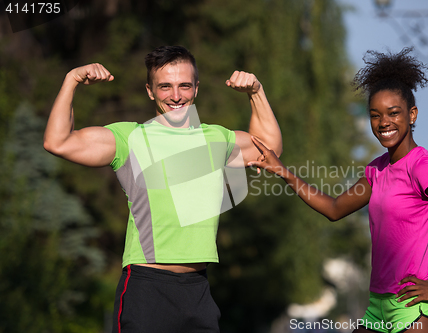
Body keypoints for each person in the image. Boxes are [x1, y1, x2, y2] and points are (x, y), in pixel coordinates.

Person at [247, 47, 428, 333]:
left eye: (393, 113)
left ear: (412, 114)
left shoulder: (421, 166)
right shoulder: (377, 170)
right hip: (378, 305)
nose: (384, 122)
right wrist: (282, 170)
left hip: (414, 309)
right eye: (375, 115)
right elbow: (334, 209)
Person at [43, 45, 282, 333]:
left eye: (184, 85)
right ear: (150, 90)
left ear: (196, 88)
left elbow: (269, 150)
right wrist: (72, 80)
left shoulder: (217, 138)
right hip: (146, 288)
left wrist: (256, 92)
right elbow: (58, 142)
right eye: (165, 86)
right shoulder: (129, 137)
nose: (176, 95)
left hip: (198, 290)